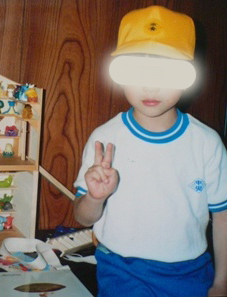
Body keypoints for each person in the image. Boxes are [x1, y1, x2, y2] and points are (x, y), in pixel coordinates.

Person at [73, 5, 227, 297]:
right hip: (123, 270)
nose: (151, 86)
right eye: (138, 70)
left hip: (192, 273)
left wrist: (222, 282)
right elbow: (83, 218)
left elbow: (223, 217)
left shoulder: (207, 143)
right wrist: (96, 197)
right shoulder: (105, 139)